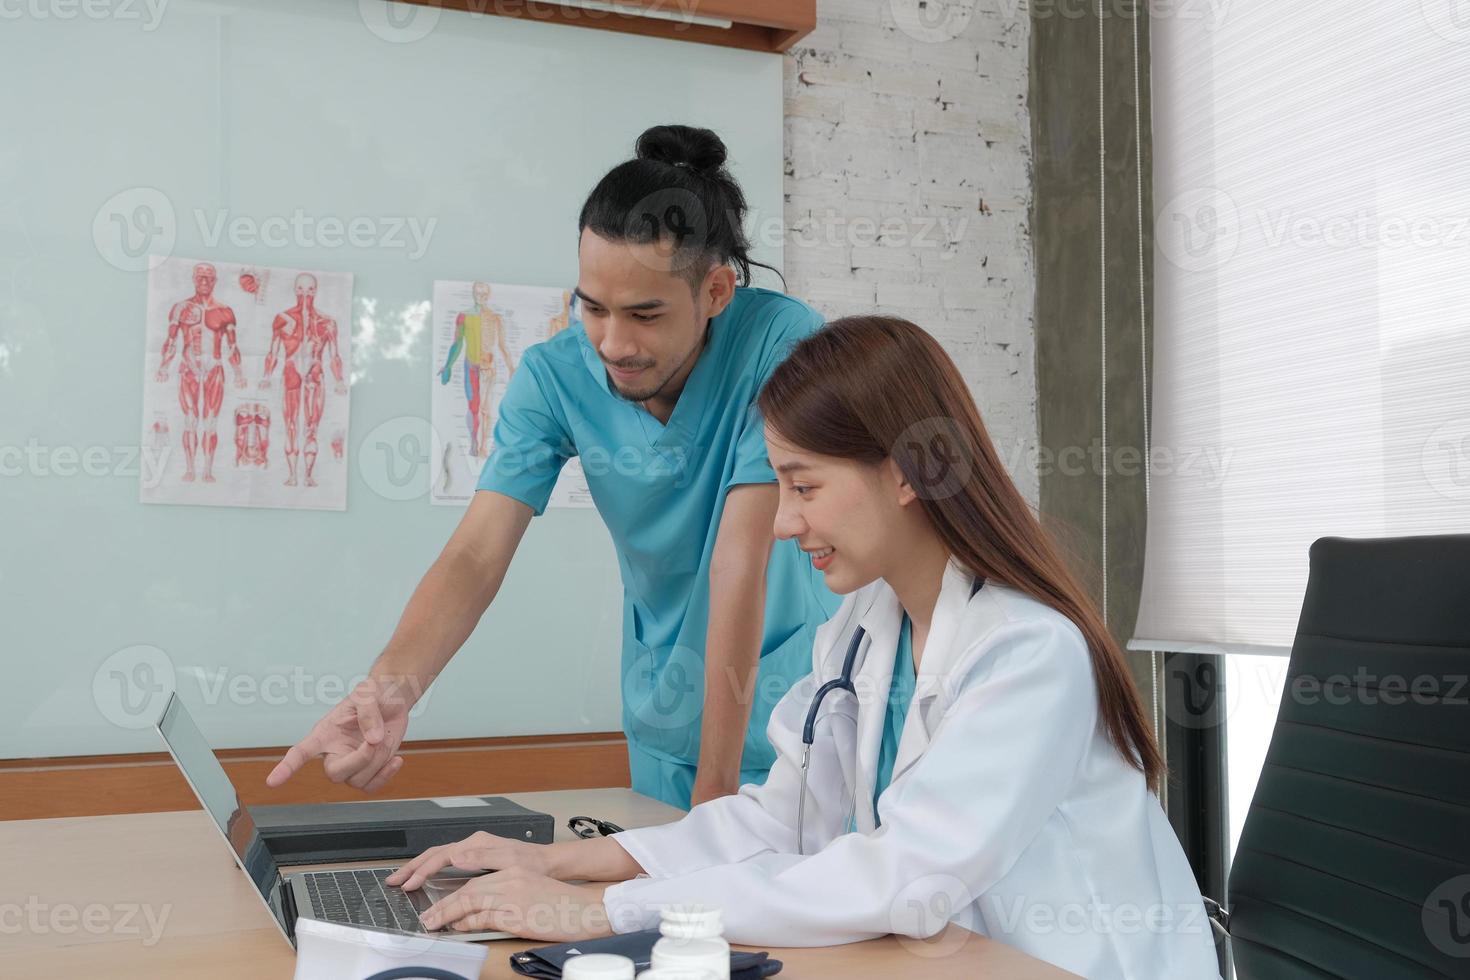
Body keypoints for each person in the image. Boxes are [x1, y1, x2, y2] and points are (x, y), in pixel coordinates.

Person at [385, 316, 1222, 980]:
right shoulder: (864, 628)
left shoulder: (1029, 653)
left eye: (804, 485)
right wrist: (567, 866)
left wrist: (607, 913)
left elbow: (904, 878)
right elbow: (778, 820)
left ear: (908, 472)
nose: (784, 523)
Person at [265, 125, 838, 809]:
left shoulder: (780, 340)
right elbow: (476, 553)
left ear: (716, 290)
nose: (613, 343)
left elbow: (739, 559)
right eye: (591, 307)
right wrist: (387, 689)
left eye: (645, 314)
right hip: (665, 716)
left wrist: (714, 803)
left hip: (796, 718)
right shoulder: (554, 376)